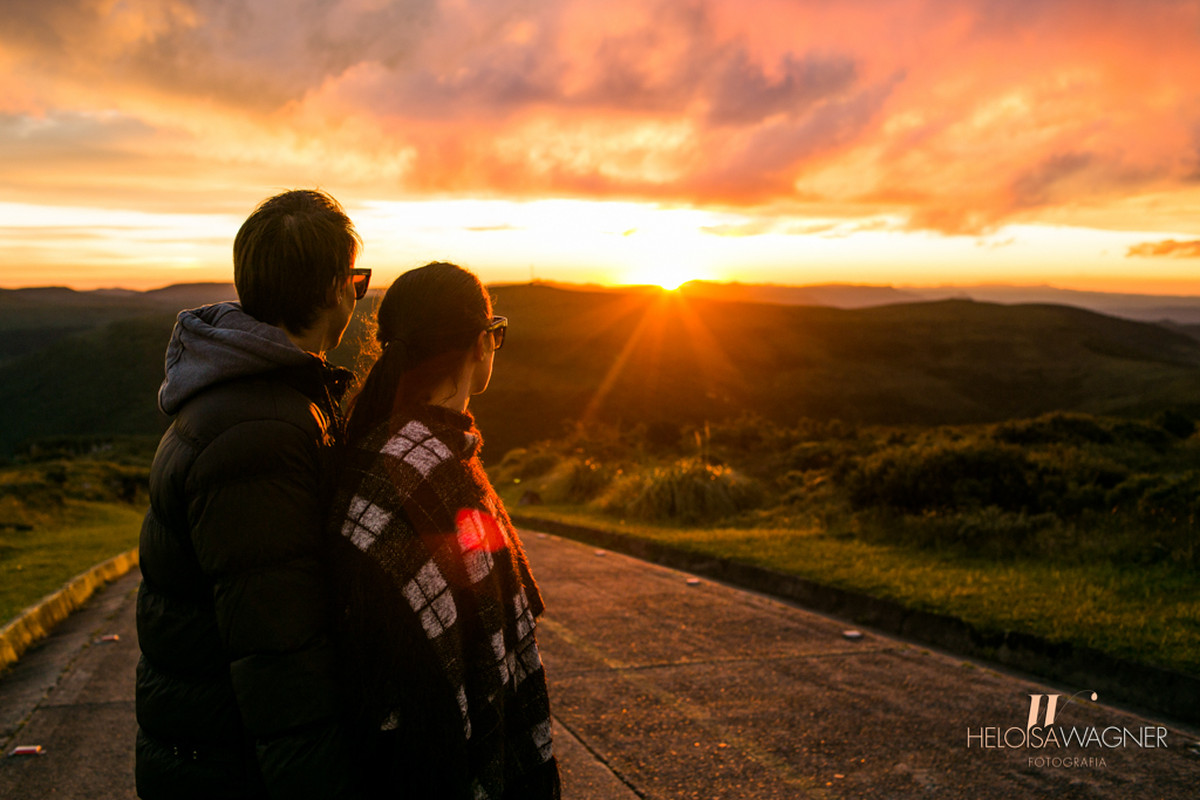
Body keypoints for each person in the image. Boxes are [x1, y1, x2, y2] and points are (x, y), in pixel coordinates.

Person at [134, 189, 370, 799]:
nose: (357, 294)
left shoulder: (245, 398)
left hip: (211, 752)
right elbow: (279, 655)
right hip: (231, 769)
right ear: (331, 290)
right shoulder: (260, 434)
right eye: (356, 279)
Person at [328, 261, 560, 799]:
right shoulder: (440, 474)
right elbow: (478, 646)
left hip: (379, 761)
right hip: (437, 764)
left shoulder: (364, 456)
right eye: (495, 336)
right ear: (482, 344)